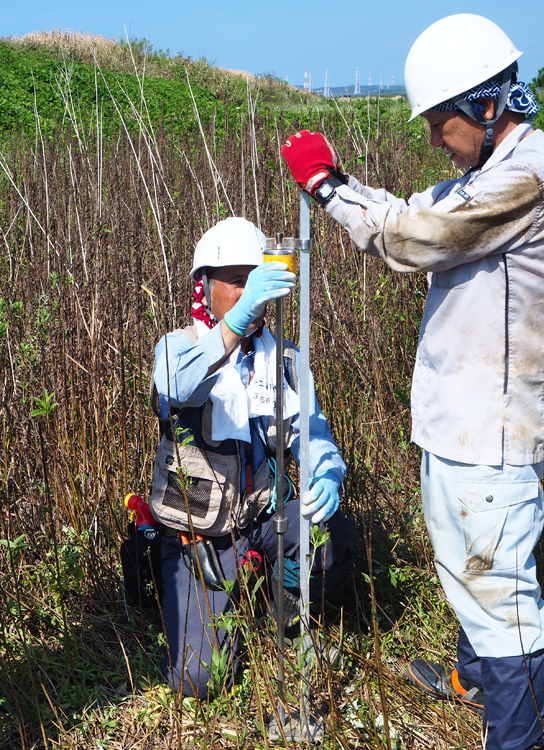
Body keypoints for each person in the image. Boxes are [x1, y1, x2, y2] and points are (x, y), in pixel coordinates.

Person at [281, 14, 544, 750]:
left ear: (485, 104)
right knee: (468, 563)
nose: (433, 137)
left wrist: (326, 187)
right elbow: (416, 213)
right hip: (462, 419)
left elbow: (415, 238)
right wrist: (345, 190)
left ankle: (523, 736)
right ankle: (477, 679)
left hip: (494, 427)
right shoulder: (491, 173)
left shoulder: (527, 178)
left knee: (500, 593)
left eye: (440, 120)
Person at [148, 217, 359, 700]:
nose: (249, 291)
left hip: (262, 516)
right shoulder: (179, 347)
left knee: (335, 540)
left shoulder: (281, 357)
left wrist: (326, 471)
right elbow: (177, 388)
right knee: (201, 682)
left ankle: (274, 597)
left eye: (256, 279)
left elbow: (312, 431)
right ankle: (201, 594)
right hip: (198, 532)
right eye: (237, 281)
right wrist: (237, 321)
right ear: (205, 286)